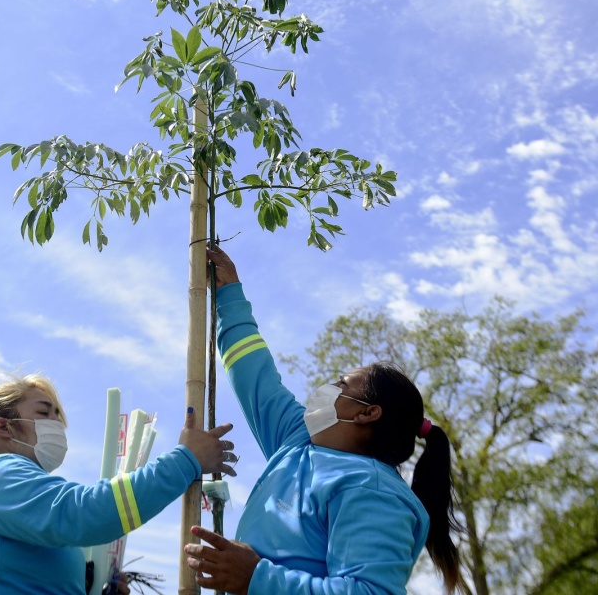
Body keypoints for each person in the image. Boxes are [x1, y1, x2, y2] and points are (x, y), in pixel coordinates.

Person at [184, 246, 462, 595]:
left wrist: (254, 577)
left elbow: (369, 591)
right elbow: (254, 373)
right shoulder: (297, 440)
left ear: (366, 413)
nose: (326, 388)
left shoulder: (373, 490)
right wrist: (229, 294)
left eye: (341, 384)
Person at [0, 374, 237, 594]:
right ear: (5, 427)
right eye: (44, 413)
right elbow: (85, 513)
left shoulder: (4, 486)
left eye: (58, 416)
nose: (56, 424)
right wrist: (185, 460)